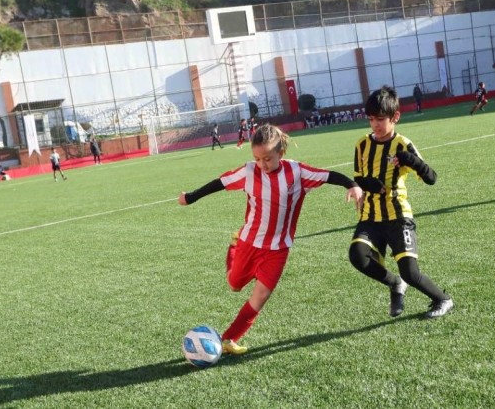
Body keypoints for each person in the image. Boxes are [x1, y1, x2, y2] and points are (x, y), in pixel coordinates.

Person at [178, 124, 363, 355]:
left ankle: (229, 339)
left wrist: (353, 185)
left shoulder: (297, 172)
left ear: (281, 153)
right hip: (249, 243)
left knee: (261, 296)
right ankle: (233, 247)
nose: (262, 164)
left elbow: (329, 175)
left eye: (267, 158)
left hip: (278, 249)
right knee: (234, 285)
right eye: (257, 159)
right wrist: (191, 197)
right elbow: (220, 183)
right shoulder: (248, 172)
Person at [349, 85, 453, 319]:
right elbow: (359, 176)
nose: (375, 124)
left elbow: (431, 178)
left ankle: (443, 299)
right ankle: (395, 283)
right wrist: (369, 185)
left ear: (395, 117)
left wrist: (412, 161)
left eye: (380, 119)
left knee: (410, 272)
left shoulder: (403, 145)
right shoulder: (362, 145)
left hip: (398, 216)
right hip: (370, 216)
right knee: (357, 255)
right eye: (371, 119)